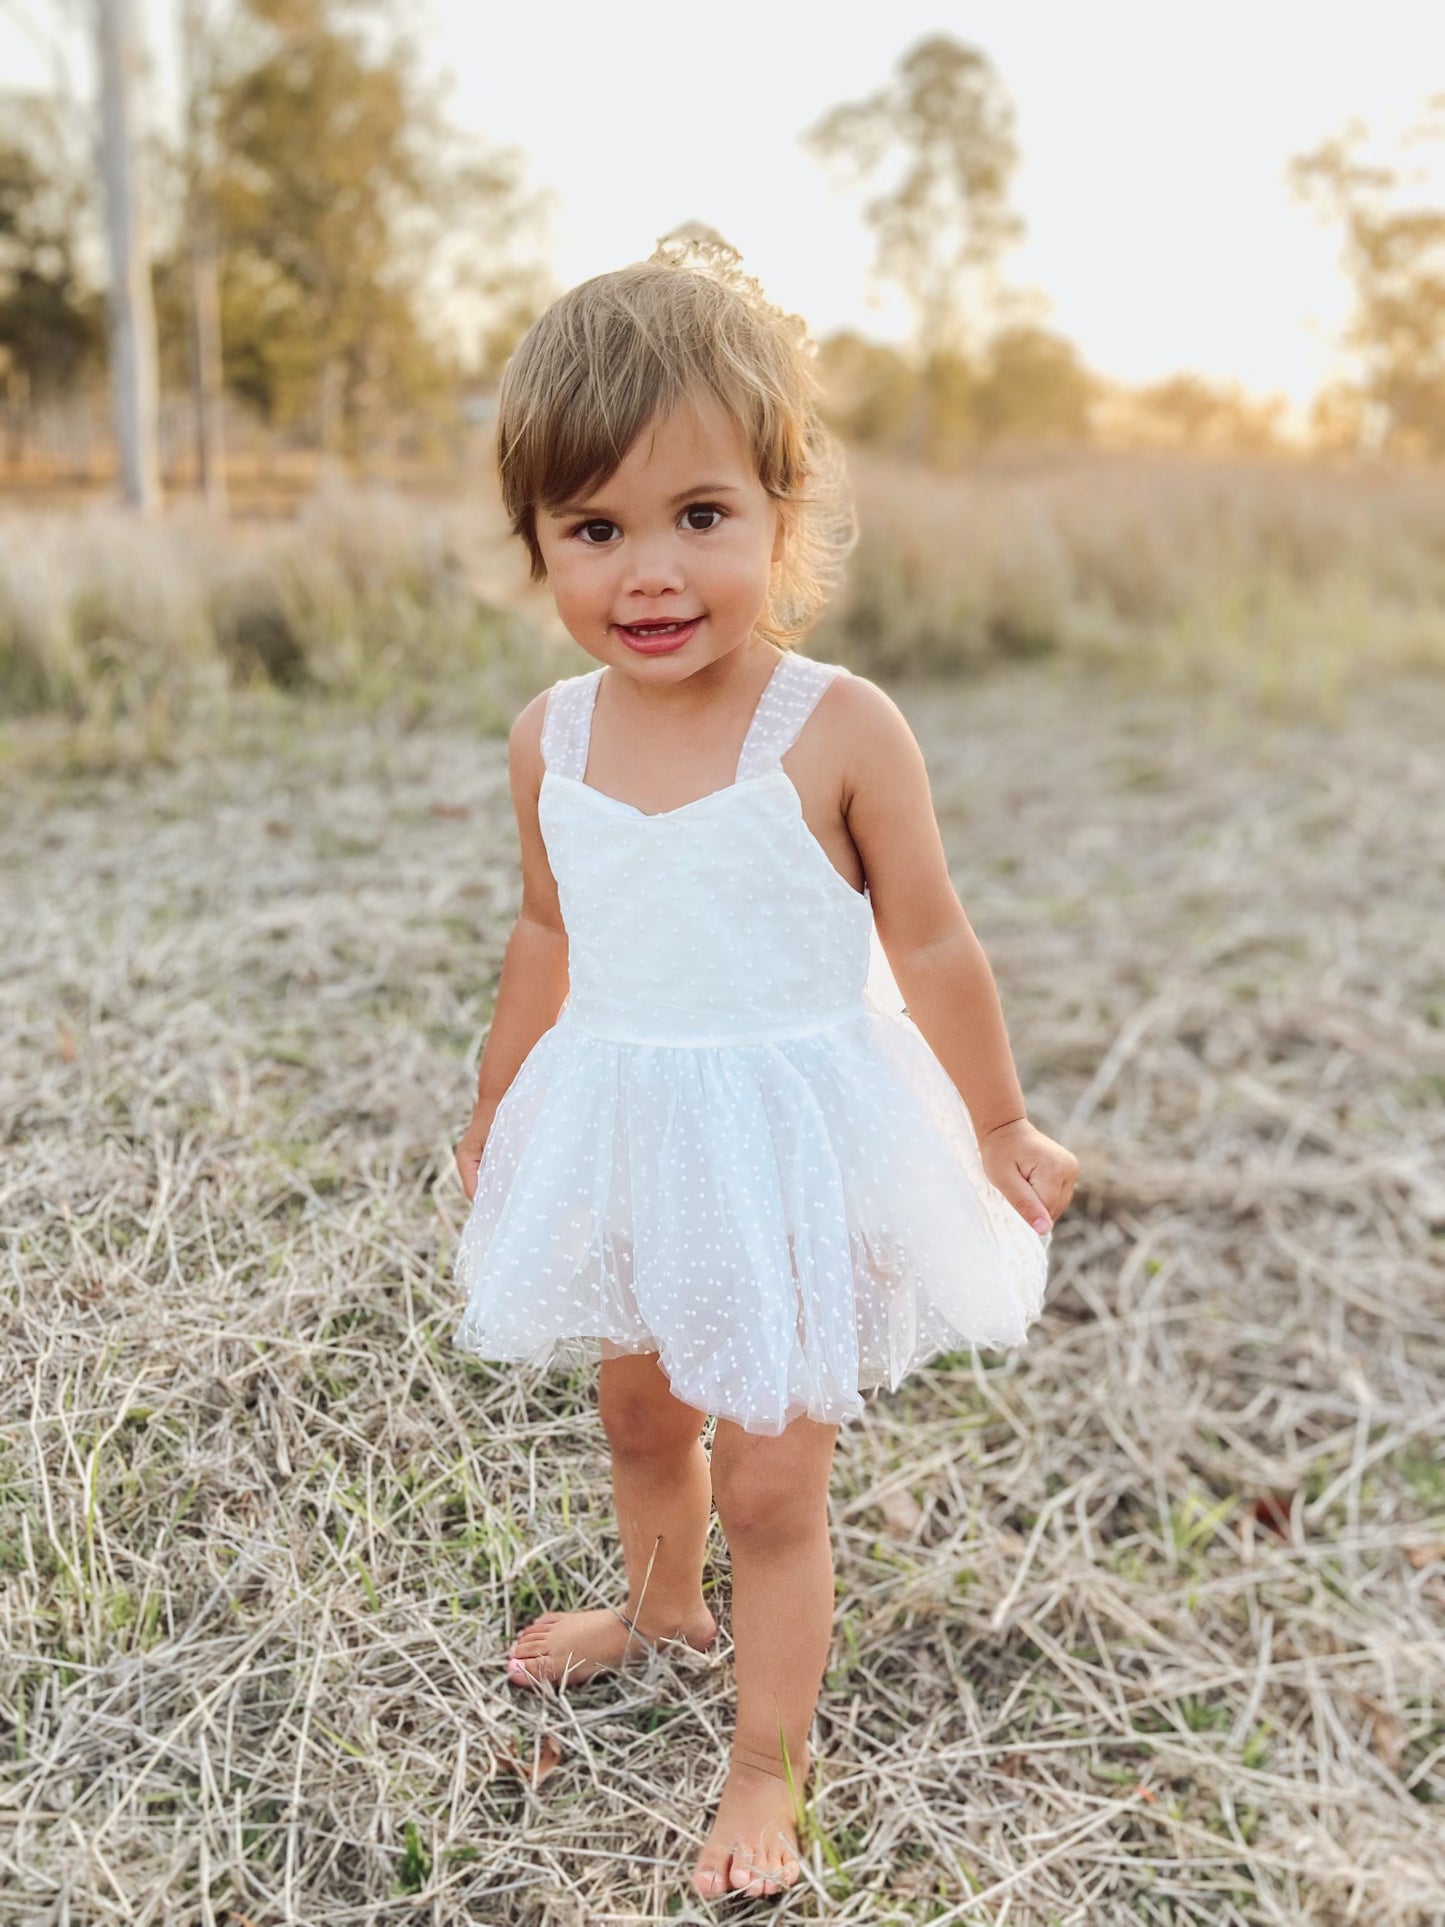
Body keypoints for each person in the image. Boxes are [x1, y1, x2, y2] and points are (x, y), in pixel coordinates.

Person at [451, 236, 1080, 1902]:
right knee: (638, 1405)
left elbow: (932, 946)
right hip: (630, 1122)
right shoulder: (550, 739)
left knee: (774, 1482)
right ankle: (656, 1609)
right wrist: (500, 1107)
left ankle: (762, 1771)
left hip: (790, 1140)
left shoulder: (837, 728)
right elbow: (546, 935)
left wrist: (998, 1121)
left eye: (699, 517)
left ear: (782, 517)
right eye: (595, 529)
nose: (648, 572)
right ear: (537, 545)